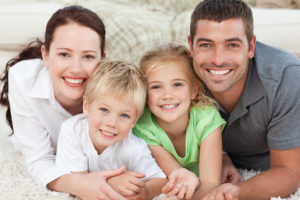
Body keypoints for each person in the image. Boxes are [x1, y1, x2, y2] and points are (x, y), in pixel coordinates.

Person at [0, 5, 129, 200]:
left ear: (102, 60)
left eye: (88, 56)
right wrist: (80, 185)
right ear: (46, 55)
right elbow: (39, 159)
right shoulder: (23, 78)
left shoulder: (113, 87)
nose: (75, 69)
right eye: (64, 54)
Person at [187, 0, 300, 199]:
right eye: (206, 44)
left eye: (232, 45)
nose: (218, 59)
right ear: (191, 46)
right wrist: (219, 156)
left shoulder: (286, 77)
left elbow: (289, 172)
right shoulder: (180, 76)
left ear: (251, 46)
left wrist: (235, 192)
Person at [56, 60, 166, 200]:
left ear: (134, 121)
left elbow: (160, 180)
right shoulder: (72, 131)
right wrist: (112, 183)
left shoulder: (133, 147)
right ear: (86, 106)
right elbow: (81, 187)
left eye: (124, 115)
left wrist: (145, 193)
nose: (112, 123)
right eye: (104, 109)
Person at [133, 43, 226, 199]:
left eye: (177, 84)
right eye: (156, 87)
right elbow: (177, 178)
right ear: (144, 94)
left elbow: (210, 183)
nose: (167, 95)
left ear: (194, 90)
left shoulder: (207, 119)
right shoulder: (143, 127)